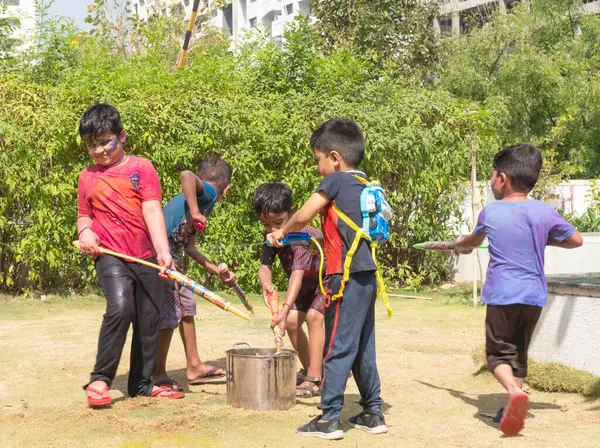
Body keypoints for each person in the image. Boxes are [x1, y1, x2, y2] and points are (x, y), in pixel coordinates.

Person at [267, 118, 387, 440]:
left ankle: (328, 417)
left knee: (338, 346)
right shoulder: (364, 183)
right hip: (367, 277)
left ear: (334, 158)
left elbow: (305, 214)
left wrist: (283, 230)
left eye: (319, 160)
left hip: (344, 279)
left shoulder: (336, 182)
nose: (318, 168)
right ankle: (373, 413)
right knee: (363, 347)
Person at [455, 143, 583, 435]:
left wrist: (458, 246)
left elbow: (471, 243)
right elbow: (576, 240)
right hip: (534, 297)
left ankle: (513, 392)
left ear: (503, 179)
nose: (490, 182)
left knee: (497, 355)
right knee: (518, 354)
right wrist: (543, 239)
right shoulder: (544, 212)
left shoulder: (491, 213)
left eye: (492, 176)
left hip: (502, 294)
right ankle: (514, 406)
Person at [77, 103, 184, 407]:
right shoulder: (87, 176)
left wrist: (163, 253)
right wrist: (86, 233)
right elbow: (84, 216)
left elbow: (151, 209)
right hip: (109, 255)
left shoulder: (142, 168)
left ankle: (141, 383)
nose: (98, 150)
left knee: (149, 318)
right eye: (91, 145)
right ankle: (100, 379)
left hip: (146, 254)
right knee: (121, 306)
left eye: (104, 142)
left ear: (121, 136)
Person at [153, 157, 235, 390]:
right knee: (171, 311)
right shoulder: (207, 194)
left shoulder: (201, 200)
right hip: (160, 254)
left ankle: (194, 364)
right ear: (226, 188)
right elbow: (186, 175)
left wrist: (216, 271)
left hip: (171, 255)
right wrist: (197, 212)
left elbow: (189, 247)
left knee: (186, 305)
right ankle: (158, 373)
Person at [253, 182, 326, 398]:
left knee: (313, 317)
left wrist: (284, 309)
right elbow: (265, 267)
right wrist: (267, 284)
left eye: (278, 223)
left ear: (292, 214)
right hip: (303, 287)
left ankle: (315, 378)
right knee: (293, 323)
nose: (272, 230)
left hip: (324, 283)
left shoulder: (303, 236)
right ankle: (312, 371)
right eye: (266, 225)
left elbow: (297, 273)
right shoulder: (272, 237)